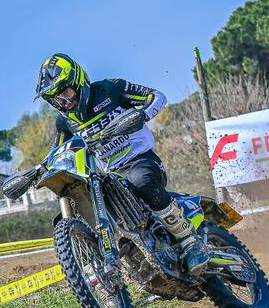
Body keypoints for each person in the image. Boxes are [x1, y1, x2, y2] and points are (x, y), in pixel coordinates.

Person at [34, 53, 209, 275]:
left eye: (65, 93)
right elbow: (56, 151)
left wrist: (142, 115)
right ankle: (103, 269)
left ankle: (190, 241)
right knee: (86, 203)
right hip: (110, 176)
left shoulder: (110, 89)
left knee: (140, 180)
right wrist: (35, 172)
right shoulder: (65, 121)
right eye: (56, 100)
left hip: (141, 161)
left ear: (77, 81)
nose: (64, 102)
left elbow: (157, 96)